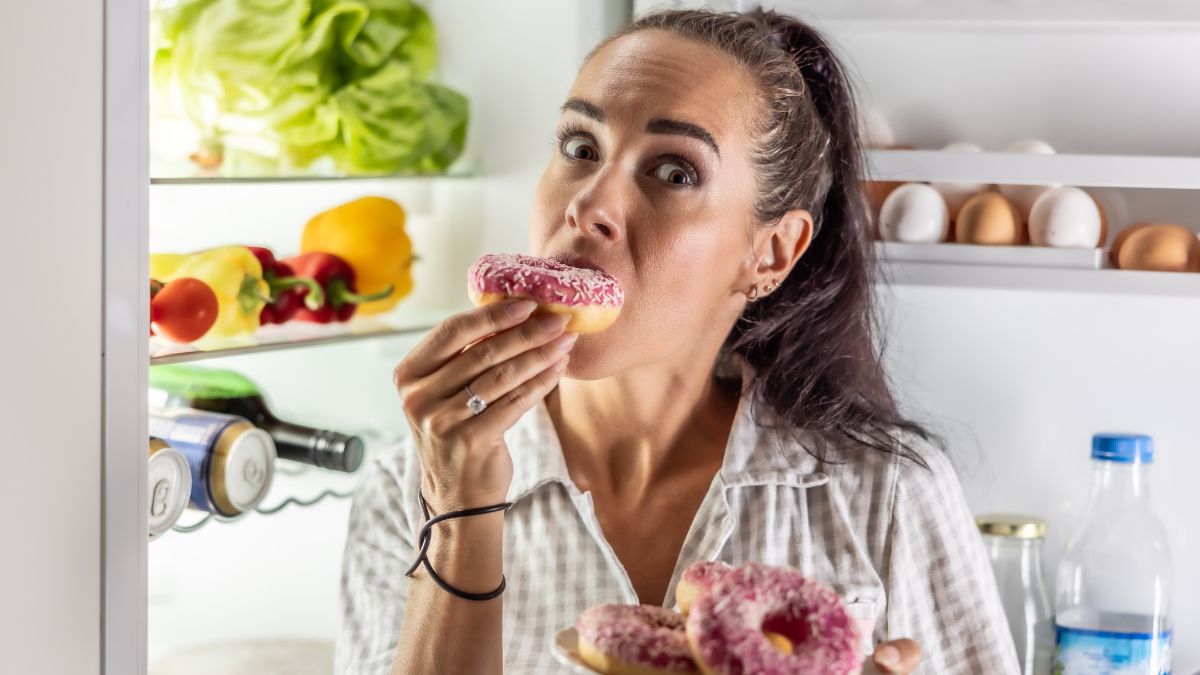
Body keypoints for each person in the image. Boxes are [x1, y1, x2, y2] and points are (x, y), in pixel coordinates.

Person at [336, 7, 1020, 674]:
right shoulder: (403, 492)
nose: (589, 206)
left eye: (674, 172)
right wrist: (459, 516)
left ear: (772, 253)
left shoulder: (890, 492)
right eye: (580, 148)